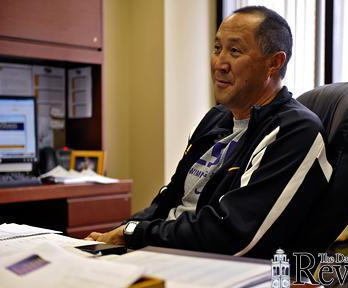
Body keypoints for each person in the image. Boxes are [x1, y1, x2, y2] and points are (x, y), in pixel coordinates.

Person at [86, 6, 332, 259]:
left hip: (211, 268)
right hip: (162, 252)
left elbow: (234, 234)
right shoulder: (218, 118)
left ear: (274, 63)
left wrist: (134, 233)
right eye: (217, 49)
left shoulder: (295, 131)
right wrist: (123, 231)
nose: (219, 63)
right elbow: (170, 198)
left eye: (234, 51)